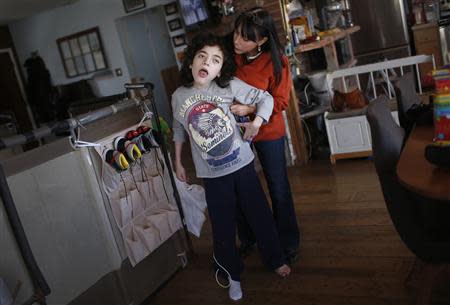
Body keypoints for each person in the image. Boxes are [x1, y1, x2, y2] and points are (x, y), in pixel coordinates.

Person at [171, 32, 290, 301]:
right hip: (212, 175)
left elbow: (267, 99)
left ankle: (276, 259)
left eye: (215, 60)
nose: (207, 63)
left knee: (259, 214)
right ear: (191, 61)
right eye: (202, 56)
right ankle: (233, 275)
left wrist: (256, 122)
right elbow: (179, 130)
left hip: (242, 164)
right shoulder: (178, 96)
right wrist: (178, 162)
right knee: (223, 228)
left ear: (219, 68)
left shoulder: (229, 86)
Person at [229, 7, 300, 264]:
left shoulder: (276, 60)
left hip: (268, 130)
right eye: (236, 34)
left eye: (245, 38)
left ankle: (289, 242)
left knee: (278, 188)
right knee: (240, 187)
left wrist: (251, 109)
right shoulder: (230, 54)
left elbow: (280, 102)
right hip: (235, 132)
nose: (237, 41)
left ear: (261, 40)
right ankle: (250, 238)